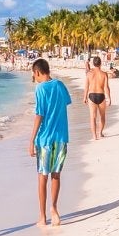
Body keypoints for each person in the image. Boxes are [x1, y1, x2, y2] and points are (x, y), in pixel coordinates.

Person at [29, 58, 71, 227]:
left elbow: (39, 115)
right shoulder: (59, 85)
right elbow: (66, 102)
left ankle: (42, 216)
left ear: (38, 72)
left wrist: (31, 140)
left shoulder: (40, 88)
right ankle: (54, 209)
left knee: (42, 176)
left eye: (34, 74)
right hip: (61, 137)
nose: (34, 77)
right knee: (56, 175)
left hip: (45, 139)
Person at [83, 55, 110, 139]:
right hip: (101, 95)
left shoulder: (89, 74)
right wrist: (109, 97)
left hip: (92, 96)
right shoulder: (104, 74)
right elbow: (106, 87)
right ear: (100, 63)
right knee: (102, 116)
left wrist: (84, 97)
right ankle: (100, 133)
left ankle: (94, 136)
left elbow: (86, 86)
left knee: (93, 117)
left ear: (93, 63)